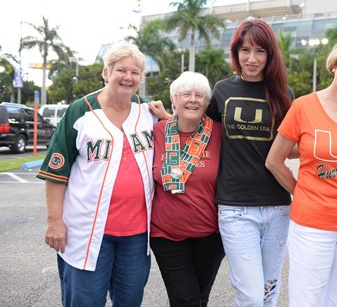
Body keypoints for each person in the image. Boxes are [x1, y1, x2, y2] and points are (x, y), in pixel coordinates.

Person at [38, 42, 169, 307]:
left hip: (135, 234)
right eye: (121, 70)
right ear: (106, 73)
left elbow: (179, 139)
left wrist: (168, 118)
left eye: (135, 72)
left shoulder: (149, 112)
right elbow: (56, 173)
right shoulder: (80, 111)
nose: (128, 77)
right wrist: (54, 221)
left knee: (130, 301)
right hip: (86, 232)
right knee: (84, 301)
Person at [266, 36, 337, 306]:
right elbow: (274, 160)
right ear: (335, 63)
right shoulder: (303, 106)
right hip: (311, 225)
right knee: (307, 299)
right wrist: (303, 192)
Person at [206, 18, 294, 306]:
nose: (251, 59)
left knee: (269, 290)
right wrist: (167, 119)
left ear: (270, 55)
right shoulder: (221, 91)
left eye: (259, 51)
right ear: (236, 52)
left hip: (277, 207)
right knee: (252, 296)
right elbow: (201, 135)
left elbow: (290, 147)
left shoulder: (284, 95)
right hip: (235, 208)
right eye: (245, 50)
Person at [150, 71, 225, 307]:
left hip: (211, 237)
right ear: (173, 100)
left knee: (200, 299)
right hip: (167, 235)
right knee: (186, 300)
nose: (193, 99)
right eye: (186, 94)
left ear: (208, 103)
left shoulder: (220, 133)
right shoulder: (158, 131)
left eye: (200, 95)